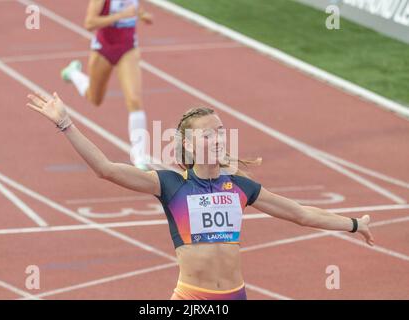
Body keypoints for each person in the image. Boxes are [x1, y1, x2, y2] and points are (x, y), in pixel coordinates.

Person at [26, 92, 375, 300]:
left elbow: (300, 213)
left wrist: (354, 223)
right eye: (209, 136)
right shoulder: (171, 185)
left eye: (221, 133)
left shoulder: (239, 186)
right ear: (189, 145)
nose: (219, 140)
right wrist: (65, 124)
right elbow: (105, 168)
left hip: (236, 295)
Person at [61, 0, 153, 170]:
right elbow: (89, 23)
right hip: (104, 48)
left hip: (128, 49)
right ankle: (74, 73)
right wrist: (120, 16)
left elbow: (132, 7)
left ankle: (139, 156)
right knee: (94, 98)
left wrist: (142, 15)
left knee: (134, 99)